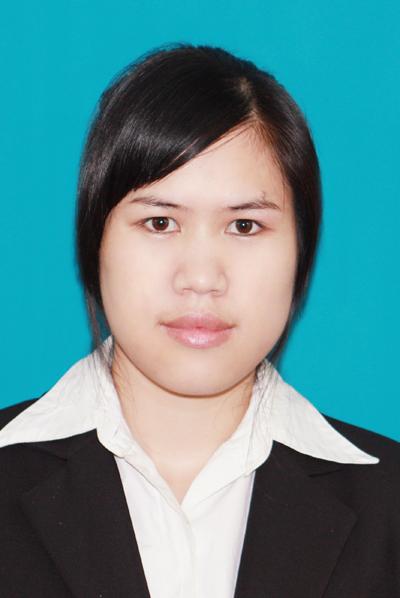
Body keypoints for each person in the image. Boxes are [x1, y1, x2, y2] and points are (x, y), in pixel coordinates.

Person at [0, 43, 399, 598]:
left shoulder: (388, 506)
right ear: (95, 242)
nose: (202, 277)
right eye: (160, 223)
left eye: (244, 226)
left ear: (301, 253)